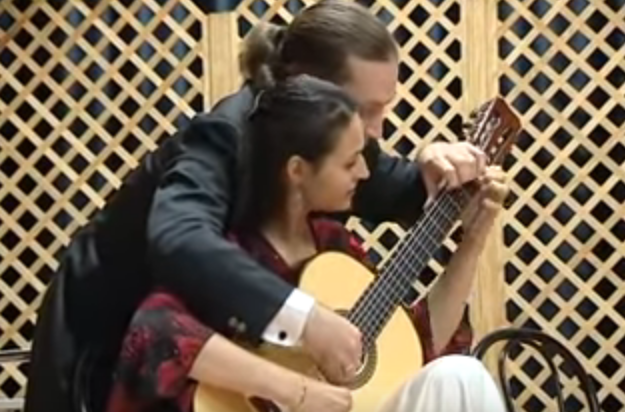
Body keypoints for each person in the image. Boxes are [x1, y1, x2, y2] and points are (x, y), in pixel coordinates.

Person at [25, 1, 492, 411]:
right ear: (311, 90)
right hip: (101, 347)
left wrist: (436, 162)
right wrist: (307, 325)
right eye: (366, 109)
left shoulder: (326, 142)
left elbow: (393, 186)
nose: (376, 132)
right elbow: (180, 240)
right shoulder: (224, 136)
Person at [105, 75, 508, 412]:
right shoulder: (235, 259)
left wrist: (472, 240)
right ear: (297, 170)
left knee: (458, 375)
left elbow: (418, 343)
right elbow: (156, 332)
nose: (366, 172)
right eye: (349, 161)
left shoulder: (336, 248)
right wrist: (295, 392)